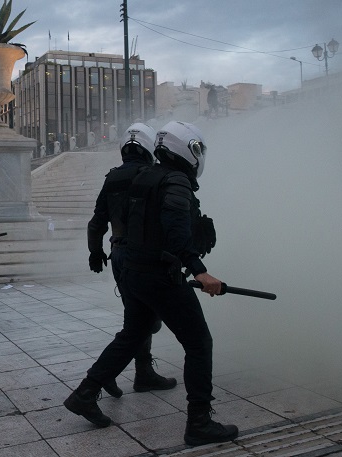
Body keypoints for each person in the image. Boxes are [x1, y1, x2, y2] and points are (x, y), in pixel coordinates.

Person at [64, 121, 237, 447]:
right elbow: (173, 227)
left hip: (133, 271)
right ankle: (199, 422)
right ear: (187, 149)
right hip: (160, 275)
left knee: (134, 333)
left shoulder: (143, 177)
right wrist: (199, 270)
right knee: (199, 344)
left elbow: (129, 225)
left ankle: (85, 393)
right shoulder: (175, 180)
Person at [86, 123, 177, 397]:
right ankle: (118, 373)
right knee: (144, 321)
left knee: (137, 316)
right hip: (145, 256)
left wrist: (95, 251)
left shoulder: (112, 178)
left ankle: (136, 372)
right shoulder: (151, 176)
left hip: (119, 254)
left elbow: (96, 222)